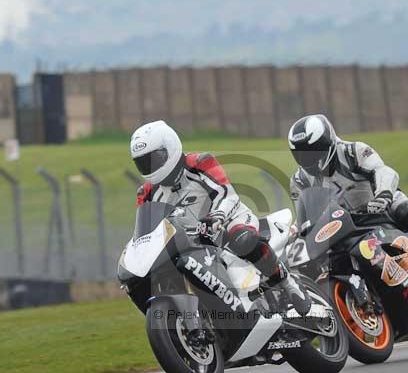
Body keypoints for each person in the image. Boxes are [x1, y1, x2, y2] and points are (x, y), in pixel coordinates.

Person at [131, 120, 311, 315]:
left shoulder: (199, 163)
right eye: (143, 162)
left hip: (229, 218)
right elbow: (146, 228)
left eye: (155, 159)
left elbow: (227, 193)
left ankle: (288, 283)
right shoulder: (146, 192)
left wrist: (215, 217)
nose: (150, 166)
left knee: (243, 239)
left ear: (170, 146)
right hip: (190, 240)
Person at [287, 114, 408, 271]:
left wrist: (383, 196)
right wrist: (295, 232)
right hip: (343, 225)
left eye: (312, 152)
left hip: (380, 206)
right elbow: (305, 214)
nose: (307, 160)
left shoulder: (353, 151)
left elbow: (384, 172)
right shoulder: (299, 181)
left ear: (327, 143)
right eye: (301, 155)